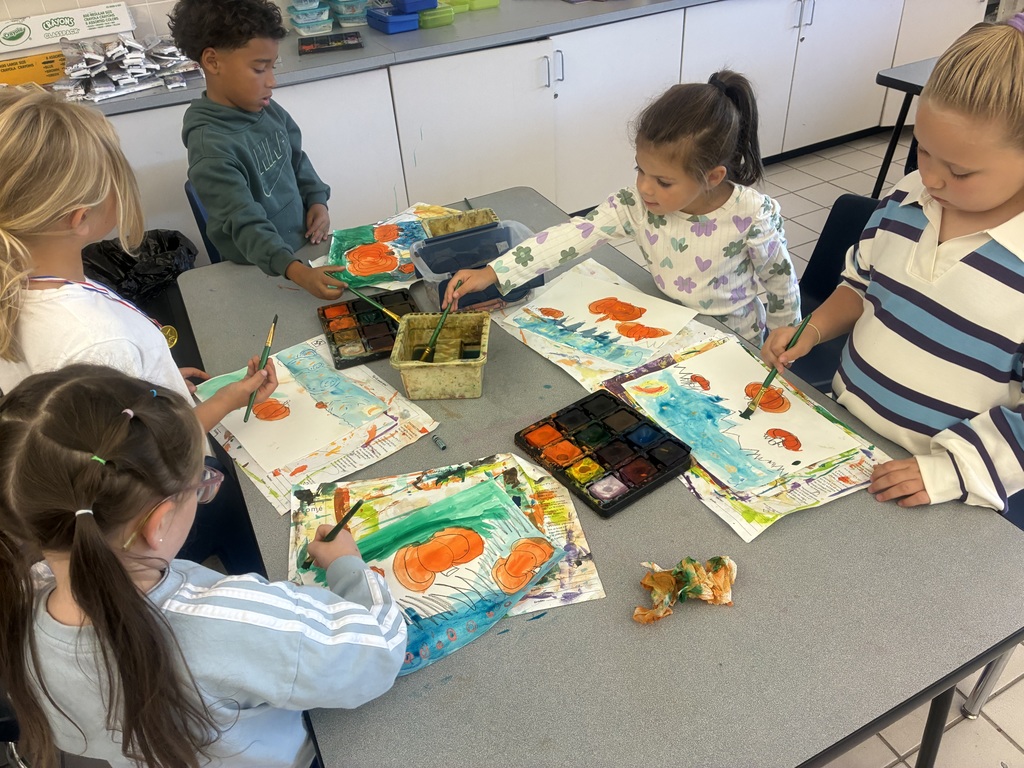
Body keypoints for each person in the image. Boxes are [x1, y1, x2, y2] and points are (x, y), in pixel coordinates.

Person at [0, 365, 407, 768]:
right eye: (202, 484)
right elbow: (379, 652)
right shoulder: (234, 621)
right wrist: (348, 566)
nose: (205, 489)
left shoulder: (16, 610)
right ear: (157, 525)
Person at [0, 87, 275, 574]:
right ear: (80, 218)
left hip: (77, 518)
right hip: (147, 524)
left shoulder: (22, 288)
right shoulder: (95, 339)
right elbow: (140, 460)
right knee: (259, 516)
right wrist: (226, 400)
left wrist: (154, 383)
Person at [761, 16, 1024, 522]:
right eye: (923, 148)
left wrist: (948, 471)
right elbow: (861, 285)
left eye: (960, 170)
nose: (931, 176)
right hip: (843, 434)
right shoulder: (907, 198)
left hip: (942, 488)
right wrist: (811, 331)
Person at [443, 72, 800, 346]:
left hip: (736, 339)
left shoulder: (752, 215)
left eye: (663, 181)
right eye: (639, 170)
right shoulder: (636, 205)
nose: (644, 187)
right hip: (669, 327)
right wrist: (494, 271)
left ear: (712, 177)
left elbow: (780, 283)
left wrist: (784, 335)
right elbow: (570, 237)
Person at [169, 0, 345, 301]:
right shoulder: (211, 149)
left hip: (301, 249)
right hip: (259, 267)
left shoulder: (266, 109)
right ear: (212, 62)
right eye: (259, 68)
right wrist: (295, 270)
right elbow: (245, 223)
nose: (272, 81)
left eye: (272, 67)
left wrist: (317, 199)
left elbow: (296, 160)